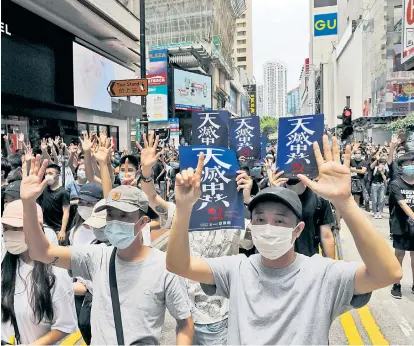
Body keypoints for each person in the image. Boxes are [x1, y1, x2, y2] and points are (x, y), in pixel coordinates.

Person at [166, 135, 402, 344]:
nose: (268, 228)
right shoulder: (236, 269)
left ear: (297, 230)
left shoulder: (322, 274)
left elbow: (388, 273)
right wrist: (184, 207)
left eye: (279, 221)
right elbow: (178, 265)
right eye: (260, 220)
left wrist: (346, 203)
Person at [20, 155, 194, 345]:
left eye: (124, 215)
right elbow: (41, 252)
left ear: (142, 222)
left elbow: (185, 324)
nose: (115, 221)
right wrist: (28, 204)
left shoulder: (164, 266)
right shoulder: (96, 257)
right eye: (110, 214)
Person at [138, 133, 253, 345]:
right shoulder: (182, 211)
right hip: (184, 316)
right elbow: (152, 199)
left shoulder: (237, 221)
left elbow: (271, 240)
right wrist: (146, 171)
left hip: (221, 318)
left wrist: (247, 201)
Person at [1, 200, 77, 345]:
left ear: (38, 227)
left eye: (17, 228)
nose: (10, 234)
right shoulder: (5, 263)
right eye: (6, 228)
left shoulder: (55, 273)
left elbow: (65, 326)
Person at [269, 174, 335, 259]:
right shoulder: (271, 196)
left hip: (309, 262)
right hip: (279, 263)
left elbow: (326, 236)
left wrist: (330, 268)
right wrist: (273, 196)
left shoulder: (319, 197)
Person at [389, 152, 414, 299]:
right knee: (399, 255)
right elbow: (402, 204)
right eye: (407, 164)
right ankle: (396, 283)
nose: (411, 166)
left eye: (413, 163)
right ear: (401, 167)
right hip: (400, 224)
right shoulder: (396, 183)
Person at [37, 164, 70, 244]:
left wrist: (62, 230)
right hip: (43, 227)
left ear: (58, 176)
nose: (47, 176)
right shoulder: (43, 189)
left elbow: (66, 212)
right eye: (46, 174)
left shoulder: (63, 192)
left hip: (57, 229)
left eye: (50, 174)